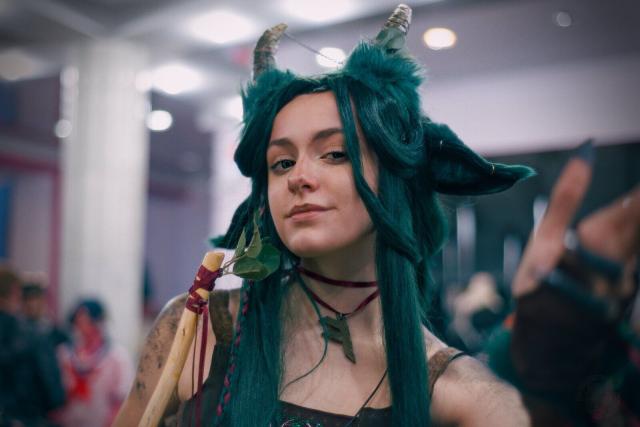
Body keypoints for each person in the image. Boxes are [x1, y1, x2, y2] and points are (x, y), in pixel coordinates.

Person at [115, 4, 639, 426]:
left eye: (335, 153)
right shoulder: (198, 328)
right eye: (281, 162)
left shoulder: (459, 394)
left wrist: (550, 346)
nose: (299, 176)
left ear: (393, 179)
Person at [0, 267, 65, 427]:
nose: (31, 304)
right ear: (16, 294)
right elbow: (54, 395)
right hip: (27, 418)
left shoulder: (53, 334)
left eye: (36, 297)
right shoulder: (35, 337)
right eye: (27, 297)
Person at [55, 299, 134, 427]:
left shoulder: (117, 357)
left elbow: (122, 399)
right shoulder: (64, 355)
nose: (83, 328)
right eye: (78, 322)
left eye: (88, 322)